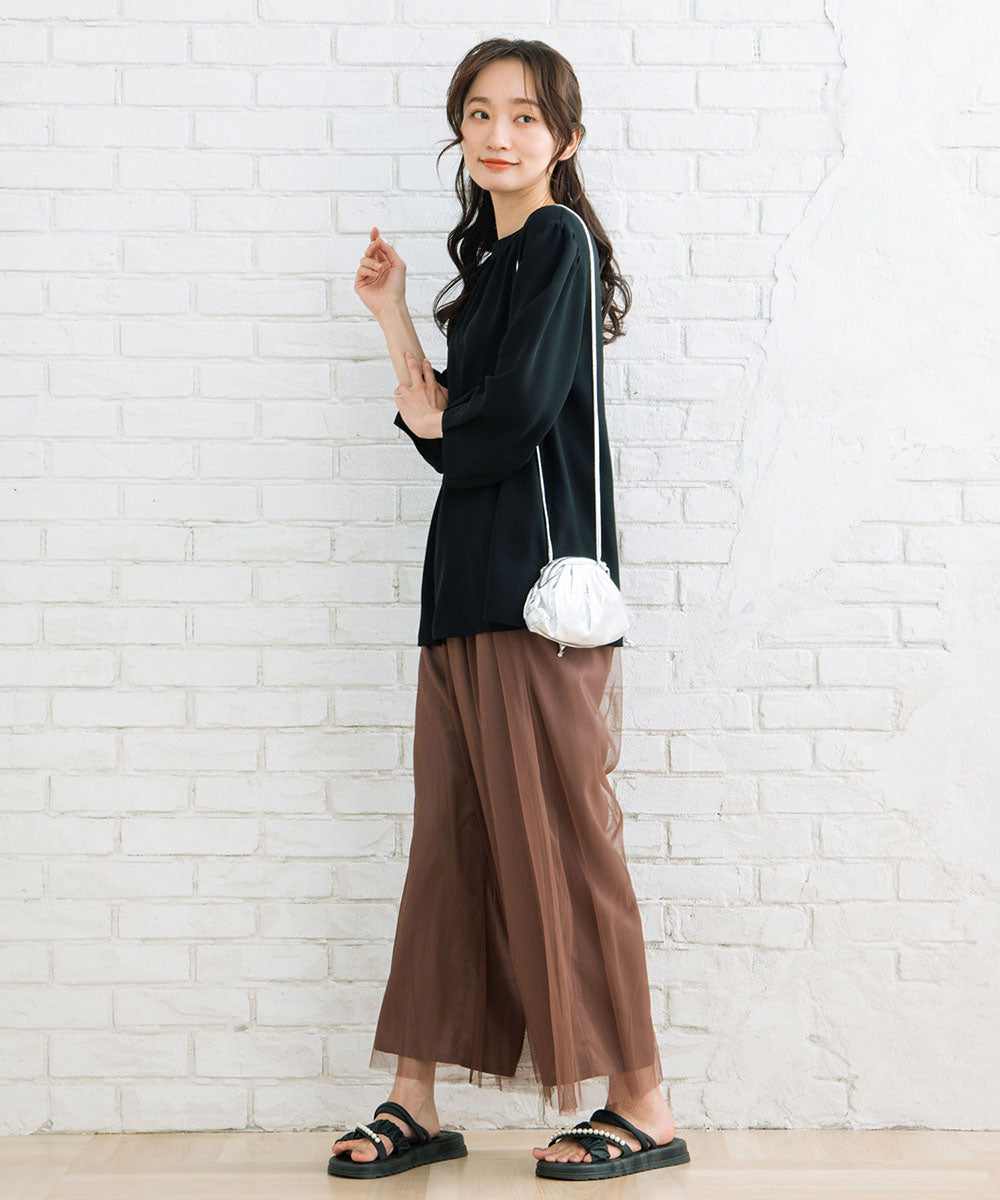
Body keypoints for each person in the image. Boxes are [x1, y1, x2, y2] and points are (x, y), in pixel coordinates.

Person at [329, 38, 690, 1183]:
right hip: (462, 592)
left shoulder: (558, 243)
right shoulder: (490, 269)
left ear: (564, 140)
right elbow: (448, 433)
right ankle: (413, 1098)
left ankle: (644, 1105)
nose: (499, 134)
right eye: (480, 113)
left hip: (537, 604)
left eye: (526, 116)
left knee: (565, 846)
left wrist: (444, 422)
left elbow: (511, 417)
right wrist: (392, 315)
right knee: (451, 848)